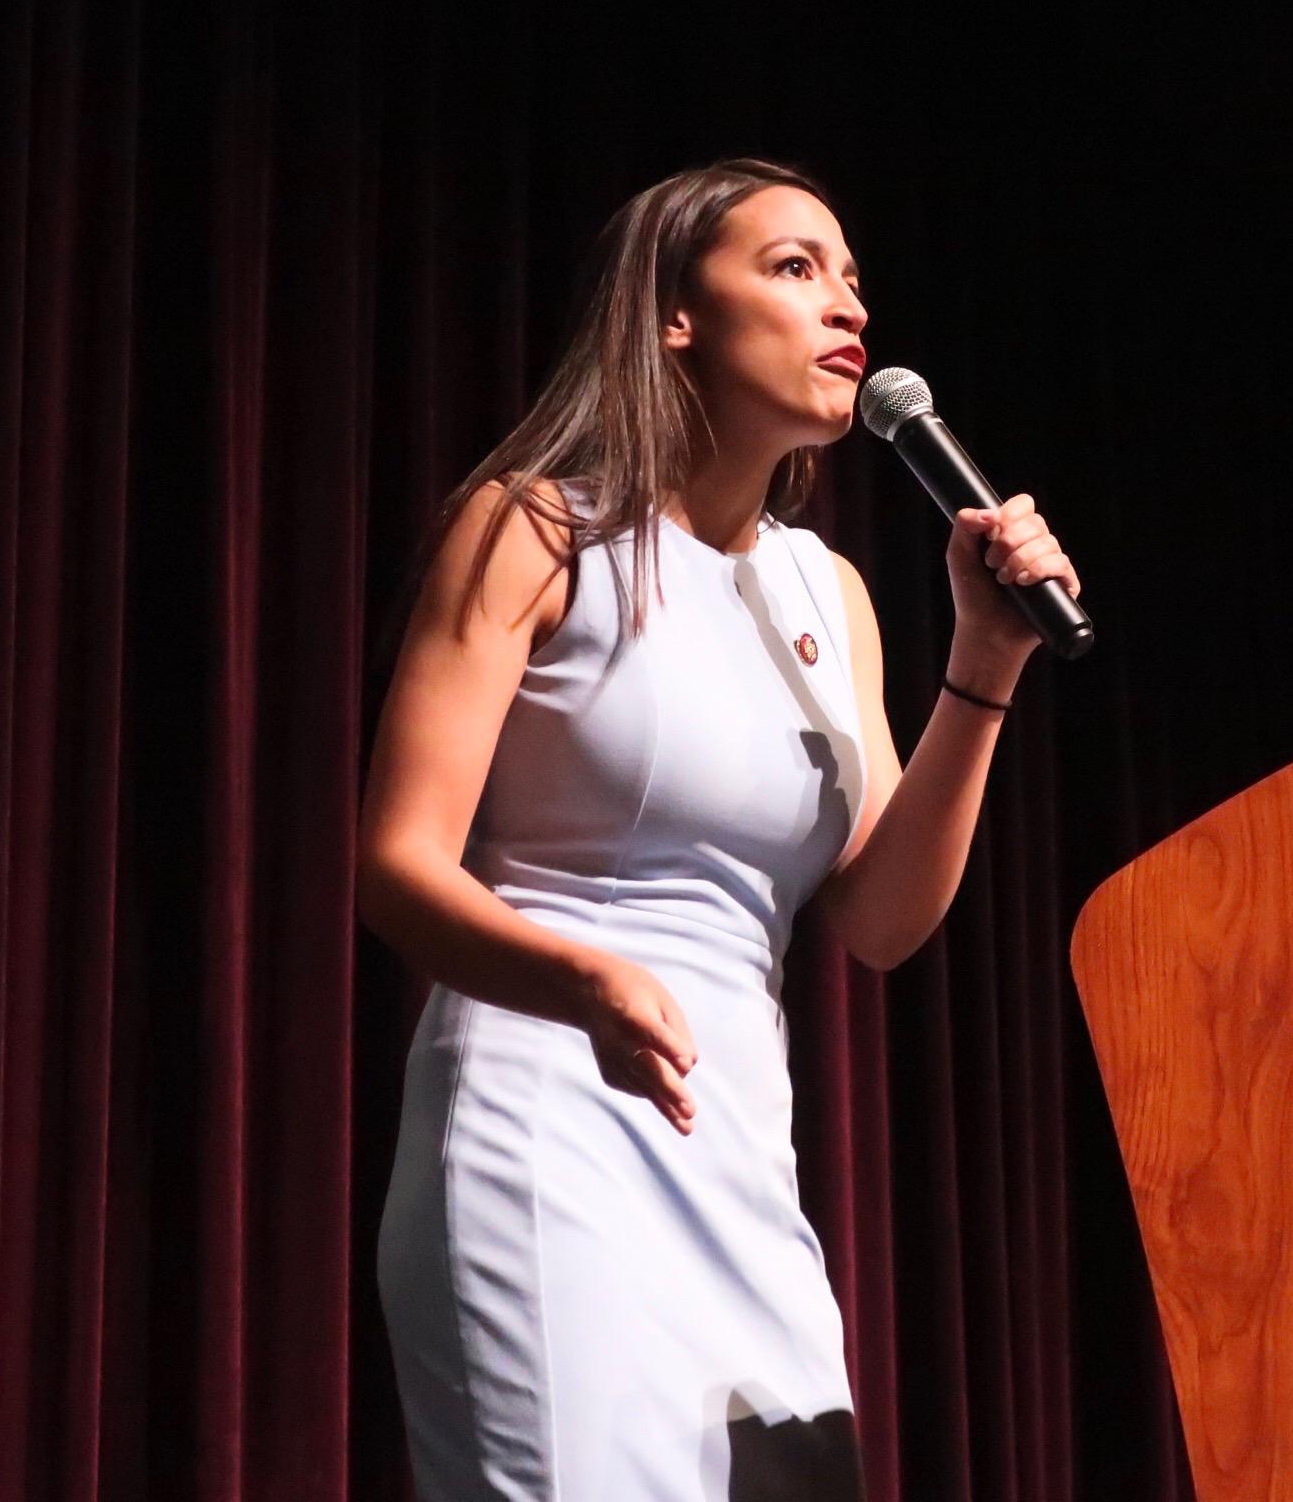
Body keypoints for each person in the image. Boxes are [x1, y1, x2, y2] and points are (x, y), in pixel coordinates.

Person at [357, 157, 1080, 1501]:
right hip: (548, 1120)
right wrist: (581, 978)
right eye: (794, 269)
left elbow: (876, 924)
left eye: (853, 278)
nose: (846, 307)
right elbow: (397, 865)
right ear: (674, 316)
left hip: (739, 1154)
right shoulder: (535, 527)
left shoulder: (830, 590)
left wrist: (984, 665)